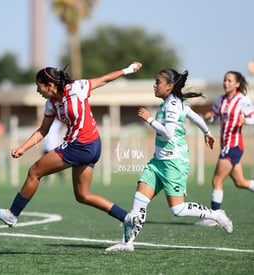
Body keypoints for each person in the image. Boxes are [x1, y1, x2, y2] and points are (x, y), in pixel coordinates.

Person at [0, 62, 142, 240]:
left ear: (50, 85)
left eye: (39, 87)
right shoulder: (50, 104)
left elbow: (105, 79)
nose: (38, 91)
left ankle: (13, 214)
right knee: (83, 195)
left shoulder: (77, 87)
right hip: (91, 145)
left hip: (80, 145)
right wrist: (23, 148)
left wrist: (128, 70)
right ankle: (127, 218)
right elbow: (42, 131)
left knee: (34, 172)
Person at [106, 69, 233, 252]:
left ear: (169, 86)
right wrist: (207, 132)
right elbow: (195, 116)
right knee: (139, 200)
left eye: (158, 82)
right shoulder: (173, 103)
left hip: (174, 163)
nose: (154, 85)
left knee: (178, 209)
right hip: (157, 162)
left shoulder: (173, 105)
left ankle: (216, 215)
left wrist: (149, 120)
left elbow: (168, 133)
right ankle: (127, 243)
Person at [196, 71, 254, 227]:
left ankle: (214, 217)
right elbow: (215, 115)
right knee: (240, 182)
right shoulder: (221, 99)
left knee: (216, 180)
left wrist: (246, 120)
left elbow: (252, 118)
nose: (225, 83)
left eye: (229, 80)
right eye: (224, 80)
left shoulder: (243, 100)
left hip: (233, 146)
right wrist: (210, 116)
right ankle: (215, 216)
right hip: (226, 145)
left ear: (237, 84)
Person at [42, 118, 65, 184]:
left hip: (54, 147)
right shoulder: (47, 123)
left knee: (55, 165)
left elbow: (63, 123)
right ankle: (47, 179)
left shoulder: (57, 123)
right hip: (46, 147)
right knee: (45, 165)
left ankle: (62, 177)